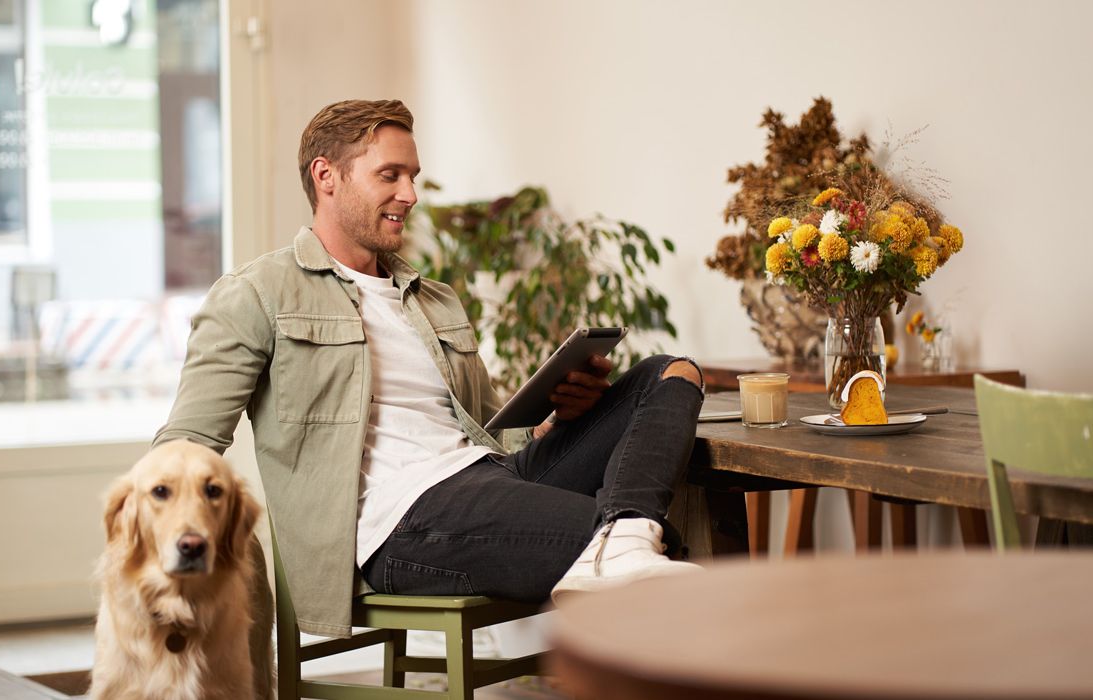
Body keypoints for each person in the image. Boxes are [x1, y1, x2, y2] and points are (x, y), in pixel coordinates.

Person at [155, 99, 705, 640]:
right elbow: (184, 445)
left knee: (668, 373)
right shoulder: (257, 294)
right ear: (327, 177)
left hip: (490, 477)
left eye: (412, 176)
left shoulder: (432, 300)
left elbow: (494, 432)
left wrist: (557, 419)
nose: (410, 195)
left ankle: (625, 535)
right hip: (398, 522)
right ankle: (627, 541)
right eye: (389, 175)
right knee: (654, 546)